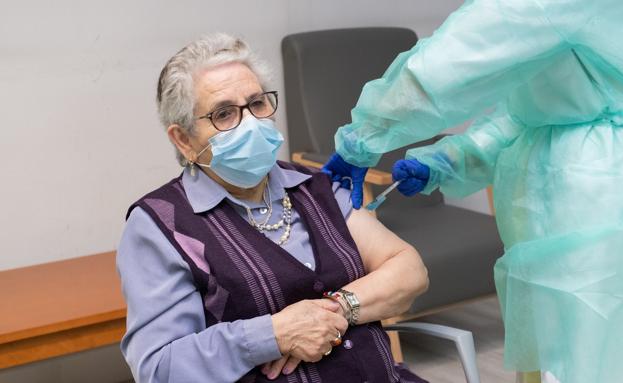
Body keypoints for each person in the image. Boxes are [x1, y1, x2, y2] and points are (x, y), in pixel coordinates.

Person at [322, 1, 623, 382]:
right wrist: (449, 160)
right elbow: (525, 118)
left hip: (597, 204)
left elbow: (440, 72)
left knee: (585, 355)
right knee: (556, 352)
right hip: (574, 199)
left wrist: (363, 136)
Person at [116, 33, 430, 383]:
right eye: (224, 113)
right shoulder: (162, 225)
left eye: (257, 103)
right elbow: (159, 368)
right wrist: (274, 335)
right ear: (184, 140)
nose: (251, 122)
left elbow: (407, 270)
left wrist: (338, 309)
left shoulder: (314, 185)